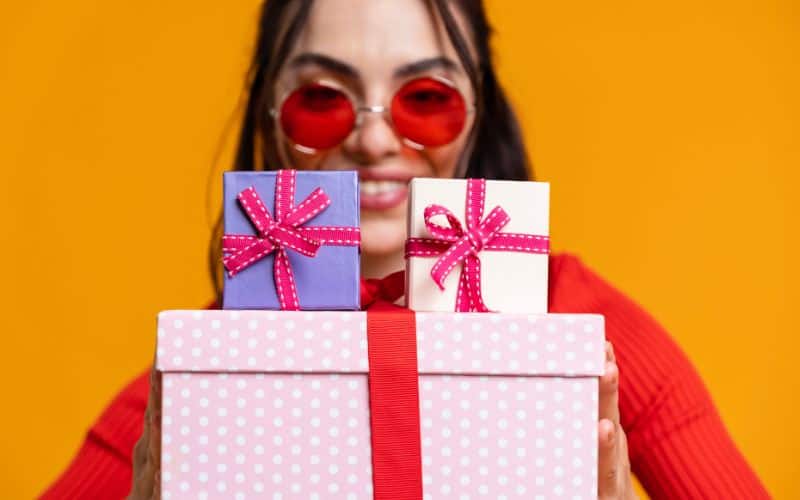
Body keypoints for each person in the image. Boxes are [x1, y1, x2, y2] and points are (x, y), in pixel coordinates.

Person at [41, 0, 769, 498]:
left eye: (424, 97)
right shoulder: (206, 371)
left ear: (479, 110)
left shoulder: (588, 335)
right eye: (323, 97)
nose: (377, 138)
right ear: (271, 108)